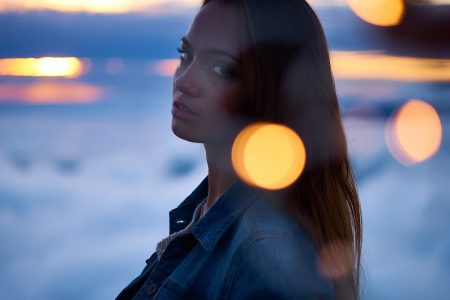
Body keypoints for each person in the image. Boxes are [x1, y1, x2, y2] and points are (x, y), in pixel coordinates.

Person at [116, 0, 362, 299]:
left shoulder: (268, 254)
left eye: (220, 68)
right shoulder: (206, 215)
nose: (184, 81)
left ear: (275, 91)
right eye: (186, 55)